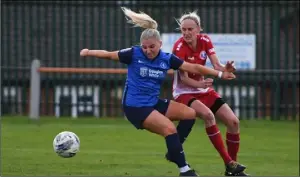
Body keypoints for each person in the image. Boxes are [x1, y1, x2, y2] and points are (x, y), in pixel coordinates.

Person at [79, 7, 244, 177]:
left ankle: (174, 151)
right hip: (135, 107)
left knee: (190, 114)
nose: (148, 51)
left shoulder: (166, 58)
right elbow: (108, 55)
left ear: (160, 44)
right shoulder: (133, 54)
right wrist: (89, 52)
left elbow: (193, 67)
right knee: (170, 129)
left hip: (152, 103)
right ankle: (184, 170)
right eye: (145, 47)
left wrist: (219, 73)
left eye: (152, 47)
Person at [166, 11, 250, 176]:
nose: (187, 33)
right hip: (183, 92)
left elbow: (216, 65)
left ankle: (232, 169)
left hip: (202, 89)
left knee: (233, 122)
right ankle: (229, 162)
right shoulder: (178, 46)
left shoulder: (205, 40)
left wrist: (225, 69)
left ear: (198, 29)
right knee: (209, 115)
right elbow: (183, 78)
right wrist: (199, 83)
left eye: (190, 29)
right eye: (184, 29)